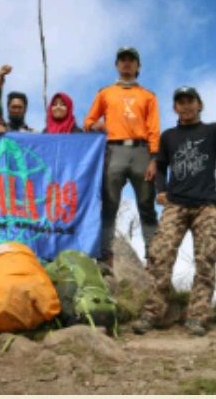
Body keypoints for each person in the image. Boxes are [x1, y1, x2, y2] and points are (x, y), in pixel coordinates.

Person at [133, 85, 216, 337]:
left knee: (206, 259)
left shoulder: (213, 131)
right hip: (175, 204)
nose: (185, 106)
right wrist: (160, 190)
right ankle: (153, 313)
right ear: (175, 107)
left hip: (205, 205)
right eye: (180, 102)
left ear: (200, 105)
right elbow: (161, 166)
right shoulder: (169, 136)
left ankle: (197, 317)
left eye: (190, 101)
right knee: (160, 257)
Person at [84, 47, 160, 271]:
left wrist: (154, 158)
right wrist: (94, 124)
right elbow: (88, 120)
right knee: (109, 204)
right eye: (122, 60)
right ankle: (104, 255)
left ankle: (153, 256)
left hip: (141, 151)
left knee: (147, 205)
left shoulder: (148, 96)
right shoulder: (105, 92)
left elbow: (154, 129)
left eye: (131, 61)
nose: (126, 64)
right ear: (117, 65)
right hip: (113, 150)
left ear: (138, 66)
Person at [0, 64, 34, 132]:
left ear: (25, 109)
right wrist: (0, 77)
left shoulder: (32, 133)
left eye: (19, 107)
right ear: (8, 108)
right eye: (14, 107)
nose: (16, 110)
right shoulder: (0, 129)